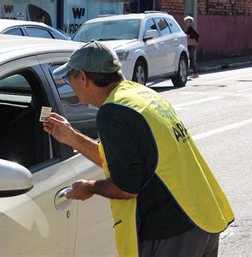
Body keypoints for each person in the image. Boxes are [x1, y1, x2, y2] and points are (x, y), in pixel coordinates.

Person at [43, 41, 234, 257]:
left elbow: (126, 187)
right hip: (202, 218)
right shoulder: (138, 96)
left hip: (172, 231)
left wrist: (88, 188)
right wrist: (72, 138)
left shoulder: (112, 112)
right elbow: (122, 162)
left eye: (69, 78)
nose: (70, 84)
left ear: (83, 78)